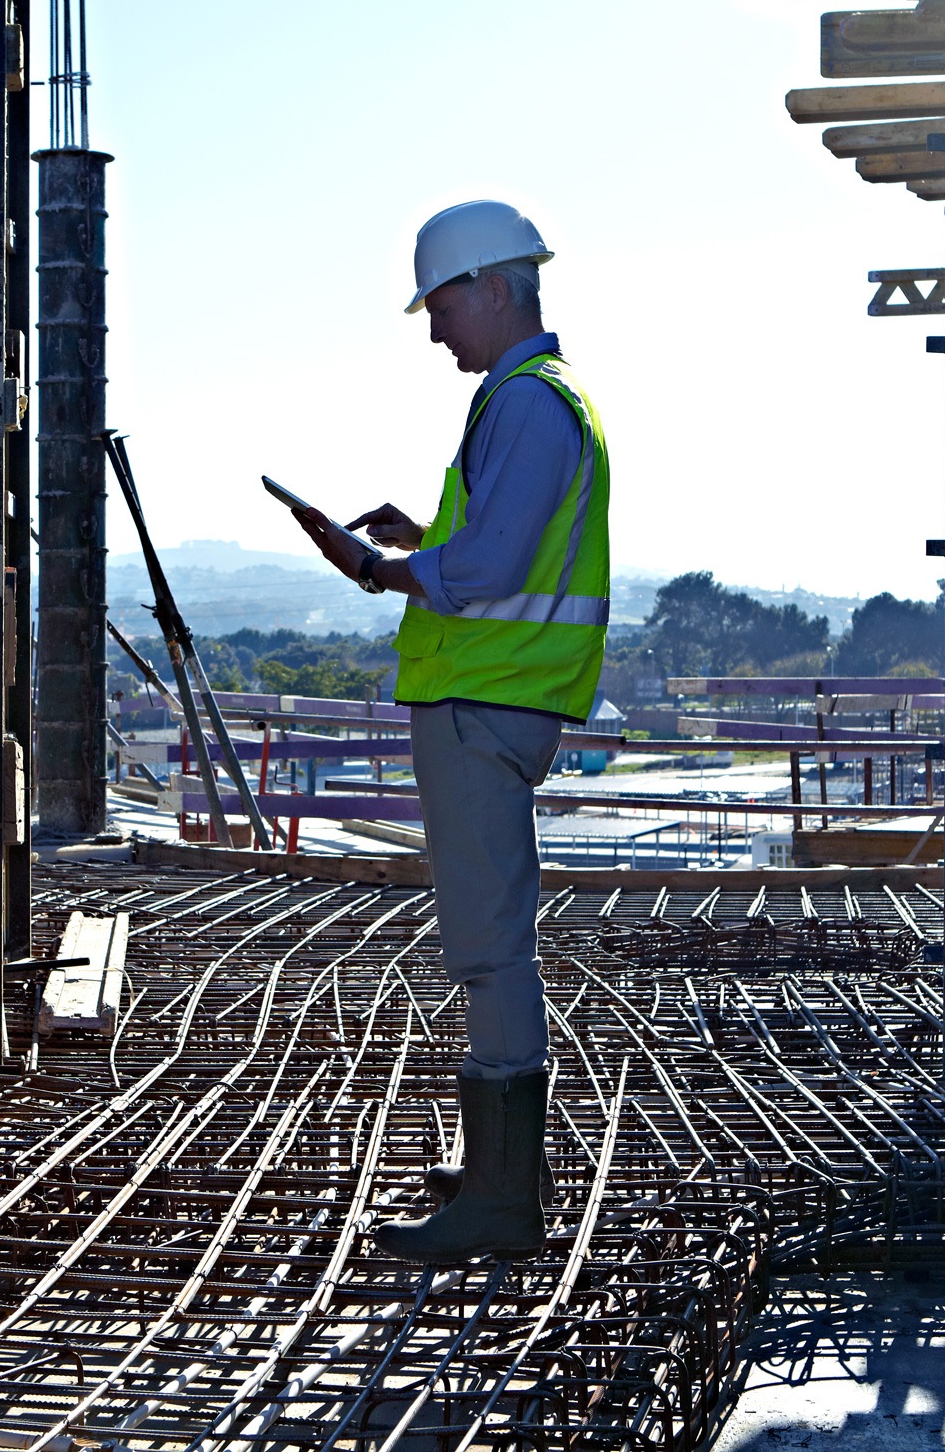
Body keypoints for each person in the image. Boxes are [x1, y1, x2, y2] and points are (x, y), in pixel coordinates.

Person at [291, 199, 610, 1264]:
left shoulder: (526, 404)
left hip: (485, 708)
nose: (435, 330)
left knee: (489, 949)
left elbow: (492, 572)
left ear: (495, 289)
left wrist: (379, 568)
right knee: (491, 943)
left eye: (441, 305)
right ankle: (499, 1170)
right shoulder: (541, 403)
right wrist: (427, 540)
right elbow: (498, 554)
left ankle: (503, 1201)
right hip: (496, 700)